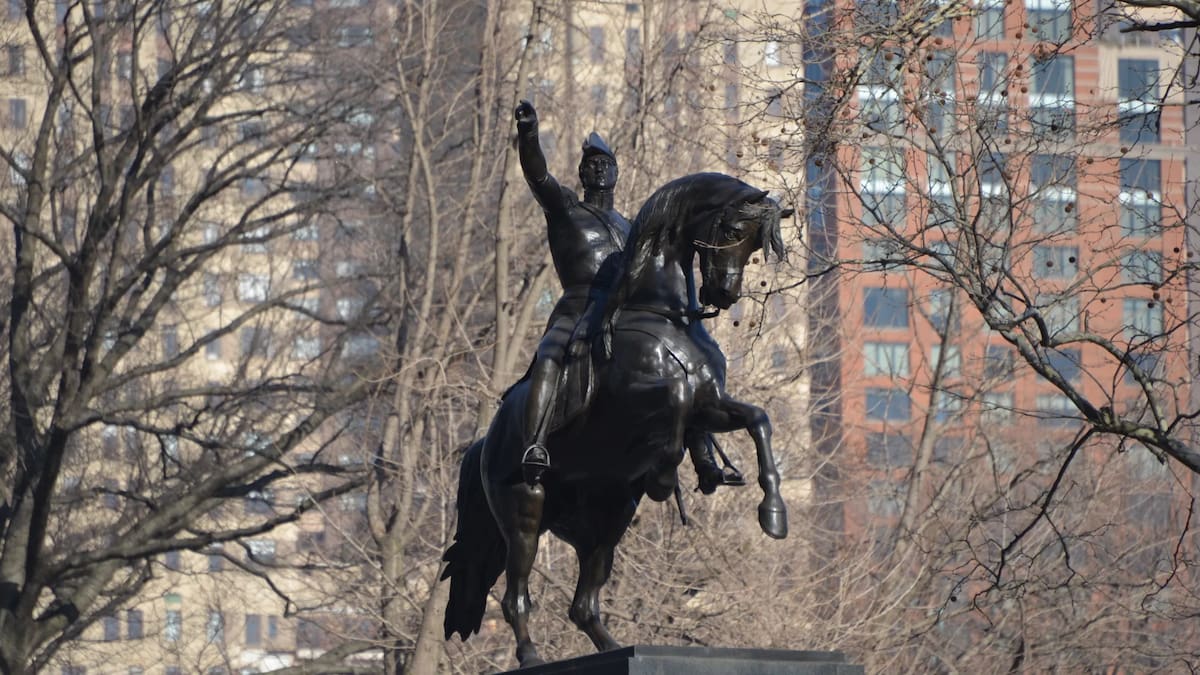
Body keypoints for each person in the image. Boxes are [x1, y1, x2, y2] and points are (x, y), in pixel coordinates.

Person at [514, 100, 630, 485]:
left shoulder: (630, 228)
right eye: (591, 164)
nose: (598, 168)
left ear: (616, 172)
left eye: (605, 163)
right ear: (581, 173)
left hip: (620, 314)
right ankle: (535, 443)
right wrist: (529, 135)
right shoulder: (565, 208)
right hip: (576, 309)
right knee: (550, 355)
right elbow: (538, 176)